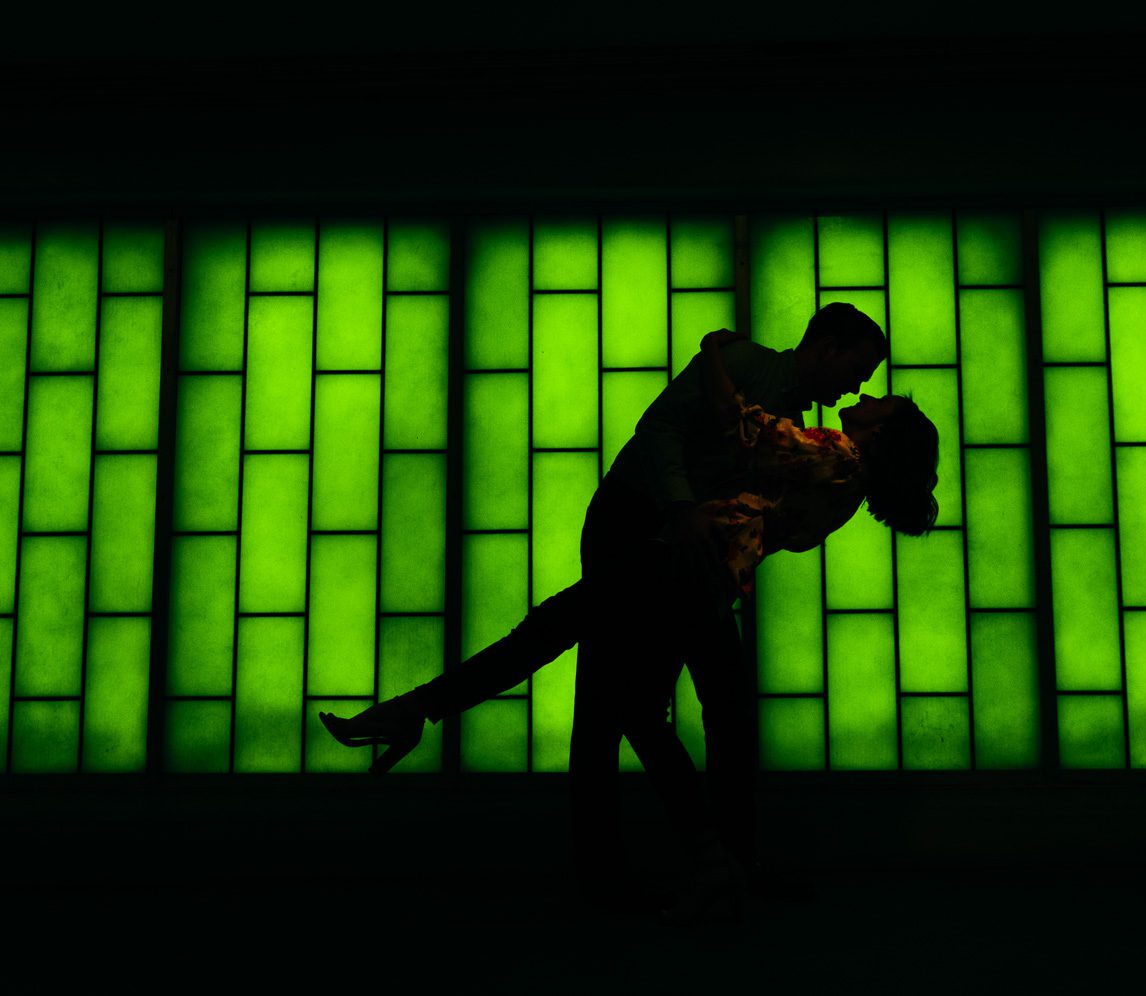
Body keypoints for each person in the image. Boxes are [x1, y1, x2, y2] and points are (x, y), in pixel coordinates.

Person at [321, 305, 938, 905]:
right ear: (827, 347)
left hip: (685, 560)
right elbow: (660, 431)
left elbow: (746, 443)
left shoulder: (818, 442)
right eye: (858, 371)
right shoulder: (757, 375)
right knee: (608, 691)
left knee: (590, 659)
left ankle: (709, 862)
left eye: (870, 389)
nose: (860, 387)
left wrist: (708, 351)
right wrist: (683, 506)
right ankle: (673, 866)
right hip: (642, 527)